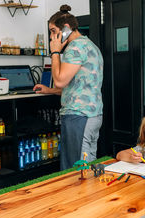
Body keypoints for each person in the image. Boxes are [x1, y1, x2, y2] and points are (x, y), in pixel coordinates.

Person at [33, 5, 104, 170]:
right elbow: (79, 86)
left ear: (65, 28)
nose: (51, 36)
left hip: (78, 116)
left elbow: (59, 81)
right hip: (93, 115)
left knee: (77, 168)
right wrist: (48, 90)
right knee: (87, 163)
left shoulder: (75, 48)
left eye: (52, 31)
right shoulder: (91, 46)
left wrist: (55, 52)